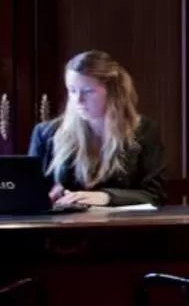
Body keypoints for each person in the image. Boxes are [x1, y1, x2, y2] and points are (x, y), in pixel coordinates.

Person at [27, 50, 167, 210]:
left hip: (122, 224)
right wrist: (47, 195)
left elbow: (155, 195)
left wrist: (106, 197)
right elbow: (29, 193)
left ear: (113, 92)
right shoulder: (46, 133)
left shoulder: (144, 130)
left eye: (88, 91)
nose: (78, 100)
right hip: (62, 224)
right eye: (72, 90)